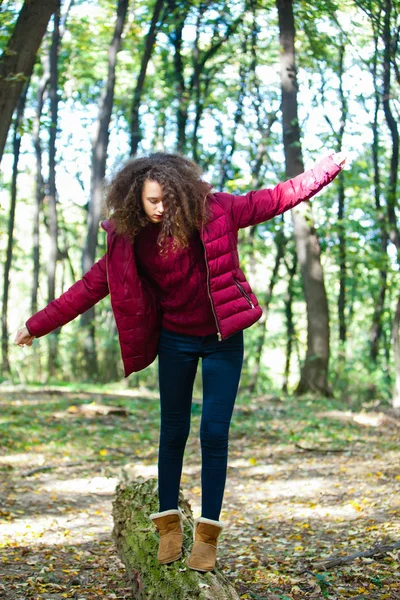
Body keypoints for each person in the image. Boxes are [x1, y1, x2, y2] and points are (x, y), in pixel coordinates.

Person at [15, 150, 346, 572]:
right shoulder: (130, 237)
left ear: (182, 193)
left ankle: (207, 535)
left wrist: (327, 168)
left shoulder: (220, 210)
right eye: (151, 201)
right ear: (136, 199)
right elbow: (88, 287)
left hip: (224, 338)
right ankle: (168, 525)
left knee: (214, 433)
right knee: (173, 431)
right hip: (176, 341)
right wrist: (36, 325)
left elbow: (280, 197)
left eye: (166, 200)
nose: (159, 209)